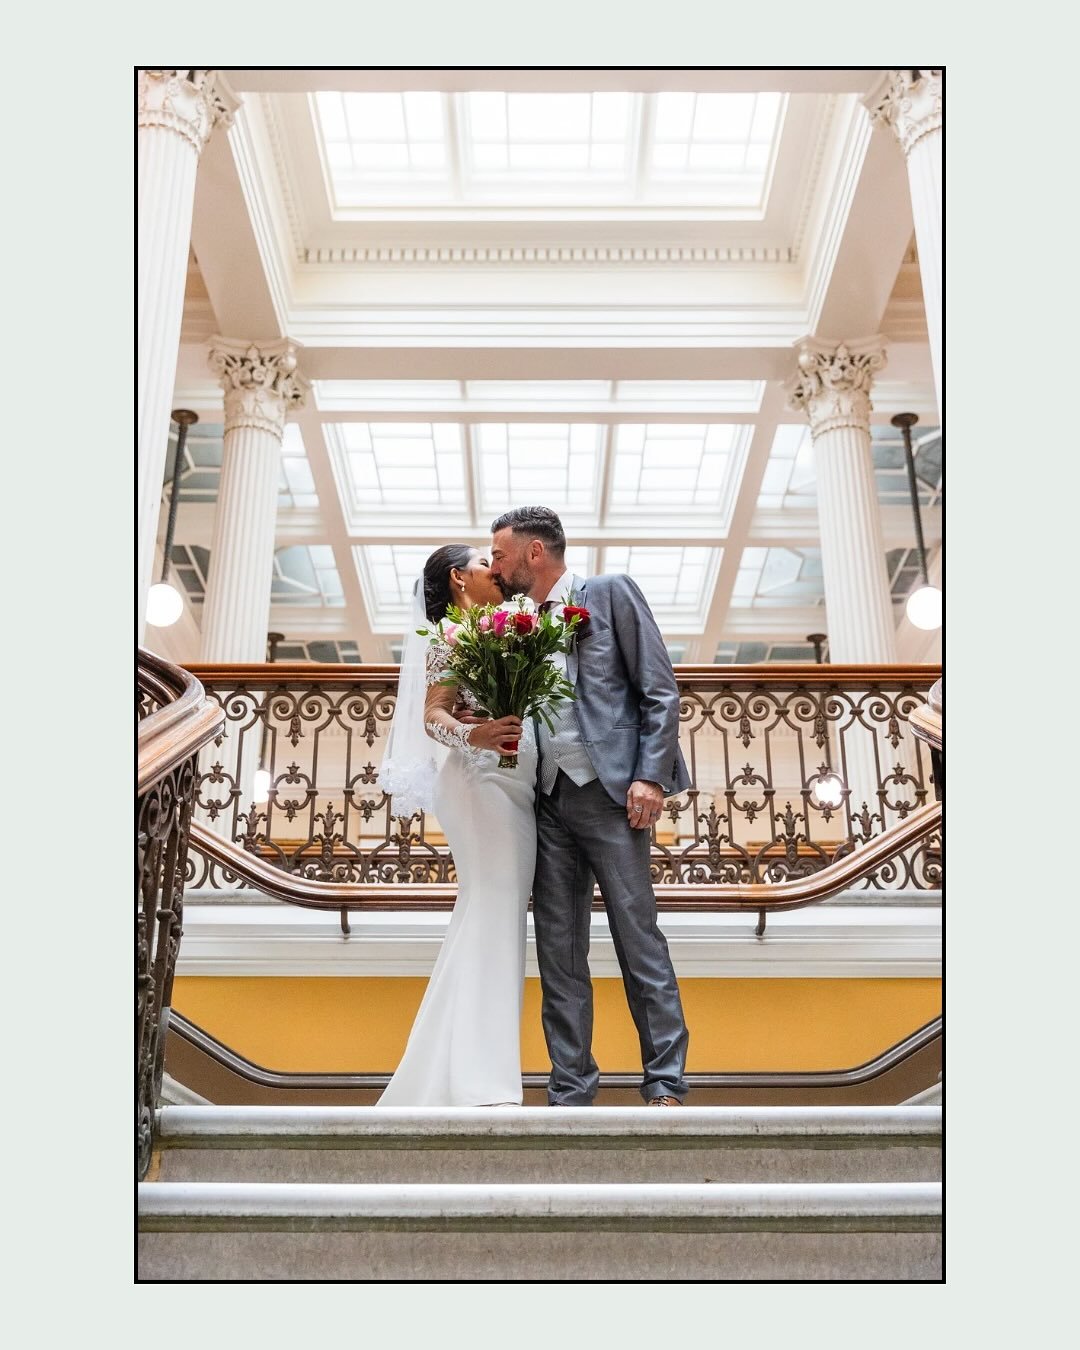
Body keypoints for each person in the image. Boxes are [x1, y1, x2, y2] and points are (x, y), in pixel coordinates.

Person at [488, 506, 691, 1106]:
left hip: (611, 796)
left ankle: (665, 1084)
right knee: (558, 951)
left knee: (638, 939)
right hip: (547, 802)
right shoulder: (518, 624)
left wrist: (650, 777)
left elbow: (659, 689)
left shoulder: (608, 594)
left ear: (534, 554)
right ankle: (570, 1089)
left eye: (500, 554)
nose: (494, 565)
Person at [375, 544, 535, 1106]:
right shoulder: (450, 638)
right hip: (478, 783)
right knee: (494, 915)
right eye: (484, 563)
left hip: (511, 787)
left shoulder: (508, 632)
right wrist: (476, 735)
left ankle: (458, 1072)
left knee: (492, 918)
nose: (496, 570)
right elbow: (434, 714)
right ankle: (481, 1080)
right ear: (458, 579)